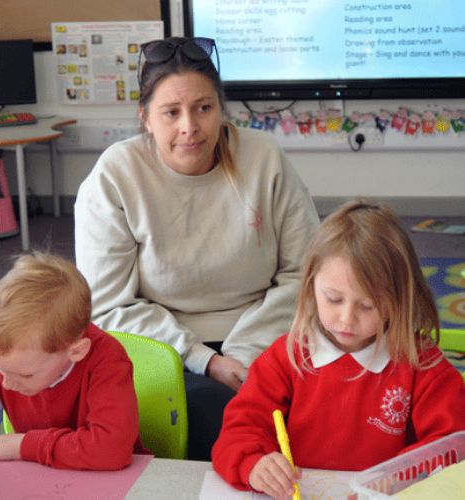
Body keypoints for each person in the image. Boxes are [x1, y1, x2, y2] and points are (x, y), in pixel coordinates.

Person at [74, 37, 319, 460]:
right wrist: (203, 359)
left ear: (221, 109)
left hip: (267, 331)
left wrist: (245, 355)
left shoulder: (264, 157)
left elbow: (307, 273)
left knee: (336, 403)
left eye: (204, 108)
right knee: (216, 417)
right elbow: (107, 304)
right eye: (171, 113)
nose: (190, 127)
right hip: (162, 346)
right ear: (146, 118)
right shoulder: (115, 175)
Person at [212, 199, 465, 498]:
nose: (347, 319)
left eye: (367, 305)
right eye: (333, 299)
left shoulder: (421, 365)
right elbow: (238, 432)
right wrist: (254, 463)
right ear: (310, 285)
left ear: (400, 298)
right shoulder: (284, 359)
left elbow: (453, 444)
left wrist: (391, 481)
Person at [0, 252, 147, 470]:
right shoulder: (7, 356)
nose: (6, 383)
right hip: (43, 474)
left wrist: (23, 445)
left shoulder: (106, 361)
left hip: (116, 478)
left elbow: (111, 450)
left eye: (25, 375)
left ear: (76, 351)